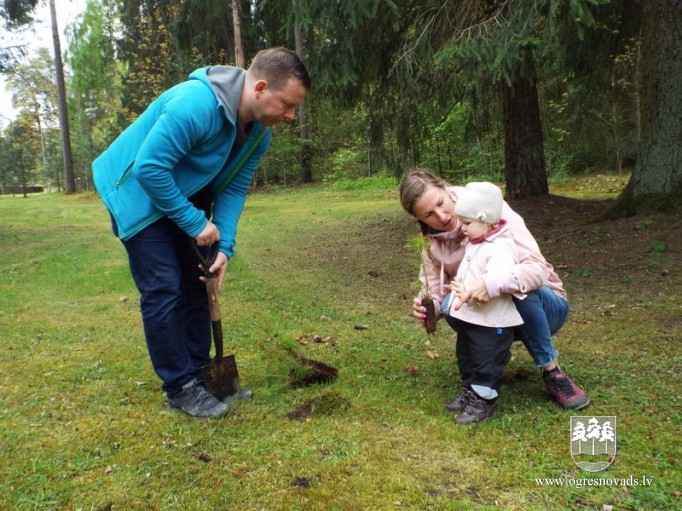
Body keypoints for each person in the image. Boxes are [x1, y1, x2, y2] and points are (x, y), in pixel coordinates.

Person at [93, 48, 311, 419]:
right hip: (136, 193)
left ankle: (201, 374)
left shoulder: (259, 135)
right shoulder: (196, 103)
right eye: (287, 105)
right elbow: (149, 169)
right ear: (260, 88)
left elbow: (234, 188)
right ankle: (180, 387)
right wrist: (195, 223)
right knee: (164, 287)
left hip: (183, 192)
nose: (290, 116)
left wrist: (224, 246)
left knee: (197, 283)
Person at [399, 169, 589, 411]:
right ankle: (491, 357)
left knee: (516, 287)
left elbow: (535, 271)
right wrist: (429, 308)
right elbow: (434, 290)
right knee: (450, 304)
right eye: (429, 215)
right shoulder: (430, 240)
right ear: (421, 219)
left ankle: (552, 371)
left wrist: (490, 283)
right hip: (495, 316)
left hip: (544, 307)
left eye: (440, 203)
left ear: (445, 188)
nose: (442, 216)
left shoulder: (486, 205)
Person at [440, 181, 524, 424]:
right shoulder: (476, 242)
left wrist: (482, 286)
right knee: (466, 356)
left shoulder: (500, 247)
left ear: (485, 220)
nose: (463, 228)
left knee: (486, 362)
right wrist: (459, 286)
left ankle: (483, 403)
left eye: (467, 223)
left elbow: (500, 277)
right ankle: (469, 392)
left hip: (491, 323)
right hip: (472, 318)